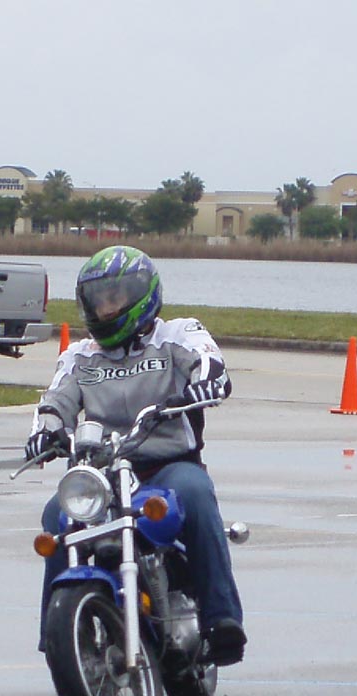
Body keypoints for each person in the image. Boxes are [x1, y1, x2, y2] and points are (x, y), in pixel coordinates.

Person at [25, 245, 246, 665]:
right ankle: (58, 636)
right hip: (103, 474)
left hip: (168, 465)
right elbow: (54, 401)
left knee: (195, 494)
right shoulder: (79, 356)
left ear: (142, 294)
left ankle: (222, 619)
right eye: (98, 300)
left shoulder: (178, 334)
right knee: (58, 515)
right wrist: (45, 432)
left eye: (115, 298)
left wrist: (206, 383)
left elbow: (207, 362)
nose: (106, 308)